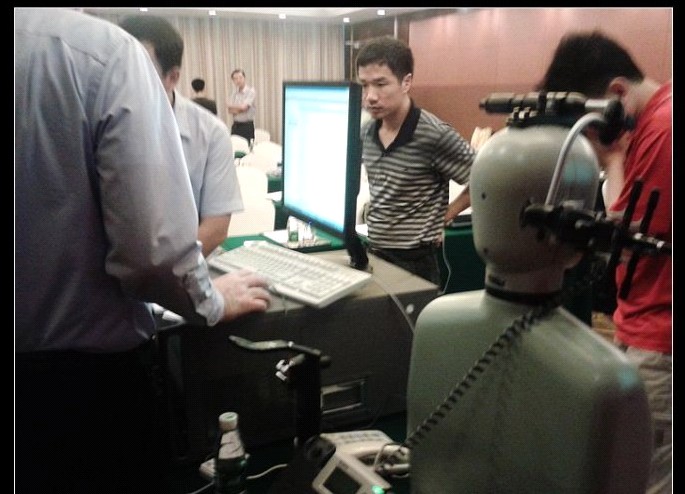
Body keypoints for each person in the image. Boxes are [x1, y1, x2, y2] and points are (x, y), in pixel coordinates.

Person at [15, 8, 271, 494]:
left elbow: (207, 226)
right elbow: (151, 255)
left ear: (174, 76)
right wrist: (211, 301)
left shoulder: (204, 127)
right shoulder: (102, 53)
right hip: (84, 383)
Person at [537, 30, 672, 494]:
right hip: (643, 321)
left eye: (590, 128)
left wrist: (613, 159)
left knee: (648, 475)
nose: (592, 142)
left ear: (616, 94)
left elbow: (625, 234)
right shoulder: (655, 119)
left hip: (660, 334)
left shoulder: (663, 128)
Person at [355, 36, 475, 285]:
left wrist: (446, 214)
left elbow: (484, 180)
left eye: (380, 84)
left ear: (406, 82)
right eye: (364, 85)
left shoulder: (434, 134)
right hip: (374, 252)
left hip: (416, 261)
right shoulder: (367, 131)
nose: (370, 97)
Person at [120, 15, 241, 257]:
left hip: (188, 268)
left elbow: (215, 227)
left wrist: (159, 272)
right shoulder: (95, 124)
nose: (123, 81)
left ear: (172, 77)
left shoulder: (211, 134)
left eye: (138, 72)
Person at [227, 68, 256, 143]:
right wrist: (240, 108)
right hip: (236, 125)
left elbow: (244, 107)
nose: (238, 80)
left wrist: (234, 107)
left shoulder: (250, 91)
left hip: (247, 126)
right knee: (234, 147)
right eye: (235, 79)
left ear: (244, 78)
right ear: (233, 81)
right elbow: (229, 110)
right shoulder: (234, 93)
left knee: (247, 147)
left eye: (240, 77)